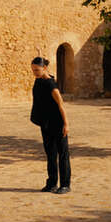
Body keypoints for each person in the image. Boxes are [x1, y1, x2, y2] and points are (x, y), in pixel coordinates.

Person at [30, 57, 71, 194]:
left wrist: (66, 124)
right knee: (50, 154)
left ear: (44, 68)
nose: (34, 72)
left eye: (37, 69)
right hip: (46, 124)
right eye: (33, 70)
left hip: (58, 124)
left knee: (63, 154)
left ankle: (65, 184)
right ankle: (52, 183)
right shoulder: (39, 80)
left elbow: (61, 104)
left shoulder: (51, 85)